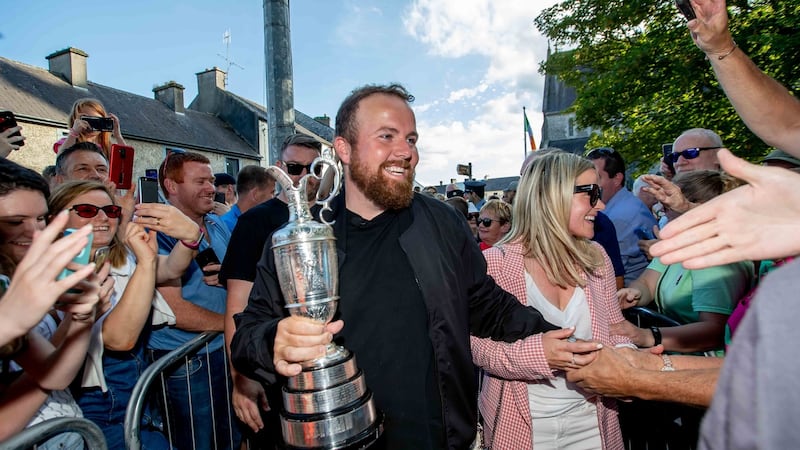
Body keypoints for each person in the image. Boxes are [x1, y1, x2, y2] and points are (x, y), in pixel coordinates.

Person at [231, 84, 581, 448]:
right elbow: (247, 335)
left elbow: (487, 306)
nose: (406, 152)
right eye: (387, 136)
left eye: (411, 139)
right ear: (344, 149)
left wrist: (567, 343)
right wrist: (274, 340)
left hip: (438, 438)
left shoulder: (442, 223)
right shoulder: (302, 240)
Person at [472, 151, 627, 449]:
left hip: (594, 422)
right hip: (523, 428)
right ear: (551, 196)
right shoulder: (495, 264)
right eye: (591, 194)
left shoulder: (596, 258)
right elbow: (475, 347)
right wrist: (539, 355)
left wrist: (630, 361)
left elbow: (615, 328)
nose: (601, 205)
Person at [49, 180, 202, 449]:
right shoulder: (56, 273)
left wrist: (191, 236)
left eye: (110, 211)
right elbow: (119, 339)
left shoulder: (118, 255)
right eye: (87, 210)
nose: (102, 218)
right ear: (55, 219)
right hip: (95, 402)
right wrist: (146, 263)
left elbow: (171, 268)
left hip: (134, 391)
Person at [219, 133, 321, 446]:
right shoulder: (255, 222)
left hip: (326, 365)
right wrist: (240, 377)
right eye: (295, 168)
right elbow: (237, 304)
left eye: (314, 168)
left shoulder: (335, 216)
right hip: (274, 369)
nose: (304, 176)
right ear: (278, 168)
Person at [152, 150, 239, 450]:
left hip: (222, 350)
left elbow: (234, 277)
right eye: (200, 181)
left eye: (211, 180)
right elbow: (175, 311)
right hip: (186, 363)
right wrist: (234, 325)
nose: (211, 188)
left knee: (230, 438)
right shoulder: (158, 232)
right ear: (171, 186)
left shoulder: (215, 223)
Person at [614, 170, 752, 354]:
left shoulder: (714, 257)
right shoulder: (677, 244)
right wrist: (635, 293)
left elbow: (714, 332)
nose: (661, 214)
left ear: (697, 208)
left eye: (667, 207)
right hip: (676, 351)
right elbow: (647, 283)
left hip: (709, 363)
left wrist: (647, 336)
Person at [586, 147, 657, 285]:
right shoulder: (623, 205)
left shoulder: (620, 217)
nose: (589, 185)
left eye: (597, 178)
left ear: (617, 179)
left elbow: (608, 276)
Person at [55, 98, 126, 157]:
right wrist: (74, 133)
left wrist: (118, 136)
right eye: (87, 120)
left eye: (97, 121)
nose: (91, 125)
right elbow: (61, 158)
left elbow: (126, 158)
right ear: (75, 121)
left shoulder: (107, 146)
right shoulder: (68, 142)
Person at [220, 166, 276, 232]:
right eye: (272, 192)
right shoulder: (225, 227)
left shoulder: (261, 222)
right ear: (256, 194)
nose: (274, 198)